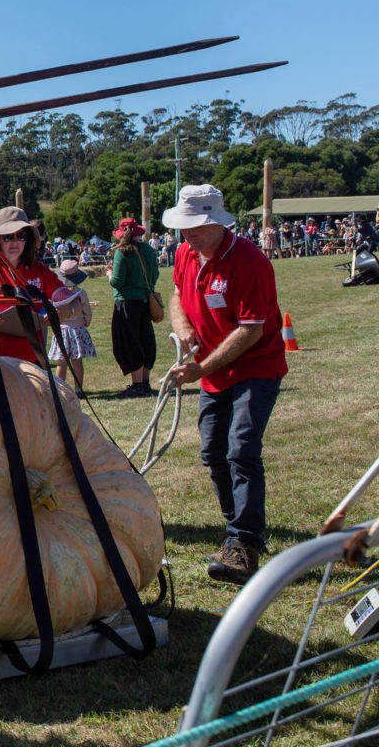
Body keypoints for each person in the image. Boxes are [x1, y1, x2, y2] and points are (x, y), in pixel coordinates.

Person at [164, 184, 287, 585]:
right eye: (185, 226)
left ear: (217, 221)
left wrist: (200, 369)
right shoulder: (185, 253)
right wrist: (182, 325)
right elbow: (177, 295)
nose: (188, 234)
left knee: (241, 449)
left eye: (196, 226)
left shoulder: (249, 261)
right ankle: (235, 530)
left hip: (256, 366)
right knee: (213, 452)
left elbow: (251, 331)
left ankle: (244, 544)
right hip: (214, 372)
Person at [0, 206, 79, 364]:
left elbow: (74, 301)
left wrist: (67, 310)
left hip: (33, 362)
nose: (15, 242)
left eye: (20, 236)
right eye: (8, 236)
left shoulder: (39, 270)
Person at [109, 217, 160, 397]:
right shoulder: (148, 249)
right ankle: (145, 382)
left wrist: (109, 274)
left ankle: (137, 384)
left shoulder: (122, 252)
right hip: (146, 300)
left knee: (129, 342)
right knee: (146, 339)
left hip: (126, 302)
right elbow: (155, 274)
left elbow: (117, 281)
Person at [47, 258, 96, 387]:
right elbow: (87, 312)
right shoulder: (81, 293)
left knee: (61, 363)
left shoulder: (55, 295)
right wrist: (86, 322)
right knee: (77, 362)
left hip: (61, 331)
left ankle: (60, 389)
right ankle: (78, 389)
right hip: (77, 331)